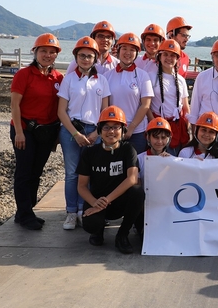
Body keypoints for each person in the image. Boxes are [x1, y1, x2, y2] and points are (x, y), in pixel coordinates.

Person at [9, 33, 64, 230]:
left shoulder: (58, 78)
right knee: (24, 172)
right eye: (43, 51)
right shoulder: (24, 75)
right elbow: (15, 105)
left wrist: (56, 136)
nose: (47, 55)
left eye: (52, 52)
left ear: (56, 55)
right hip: (25, 130)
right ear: (35, 52)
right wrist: (19, 132)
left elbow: (60, 108)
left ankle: (25, 211)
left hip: (46, 132)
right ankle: (25, 215)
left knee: (36, 173)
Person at [57, 36, 111, 231]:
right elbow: (61, 111)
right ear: (76, 57)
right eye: (82, 55)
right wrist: (75, 134)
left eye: (89, 56)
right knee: (72, 173)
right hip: (71, 130)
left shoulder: (102, 80)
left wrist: (97, 133)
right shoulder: (69, 79)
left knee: (90, 173)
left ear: (95, 58)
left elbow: (105, 112)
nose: (86, 59)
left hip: (94, 131)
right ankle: (71, 211)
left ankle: (84, 209)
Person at [76, 106, 144, 254]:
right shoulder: (89, 153)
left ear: (123, 130)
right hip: (97, 200)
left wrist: (106, 200)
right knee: (91, 224)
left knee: (138, 192)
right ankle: (98, 230)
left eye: (116, 127)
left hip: (118, 201)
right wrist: (95, 202)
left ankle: (122, 235)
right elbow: (81, 186)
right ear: (100, 130)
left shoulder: (128, 149)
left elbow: (132, 179)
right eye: (106, 127)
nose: (111, 131)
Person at [104, 33, 153, 153]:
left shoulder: (143, 76)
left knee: (135, 163)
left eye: (132, 50)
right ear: (118, 50)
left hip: (137, 132)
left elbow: (145, 105)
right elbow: (105, 106)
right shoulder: (107, 76)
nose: (128, 53)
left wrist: (131, 128)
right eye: (124, 48)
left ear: (137, 53)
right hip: (113, 131)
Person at [148, 39, 190, 154]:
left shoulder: (181, 80)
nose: (169, 58)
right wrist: (154, 124)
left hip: (177, 125)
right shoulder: (150, 77)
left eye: (172, 55)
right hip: (158, 126)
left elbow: (185, 106)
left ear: (177, 59)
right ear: (159, 57)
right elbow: (146, 105)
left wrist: (188, 126)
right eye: (165, 54)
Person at [137, 117, 173, 186]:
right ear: (148, 137)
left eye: (163, 137)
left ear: (168, 139)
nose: (159, 141)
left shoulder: (172, 160)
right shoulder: (139, 159)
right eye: (156, 137)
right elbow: (137, 186)